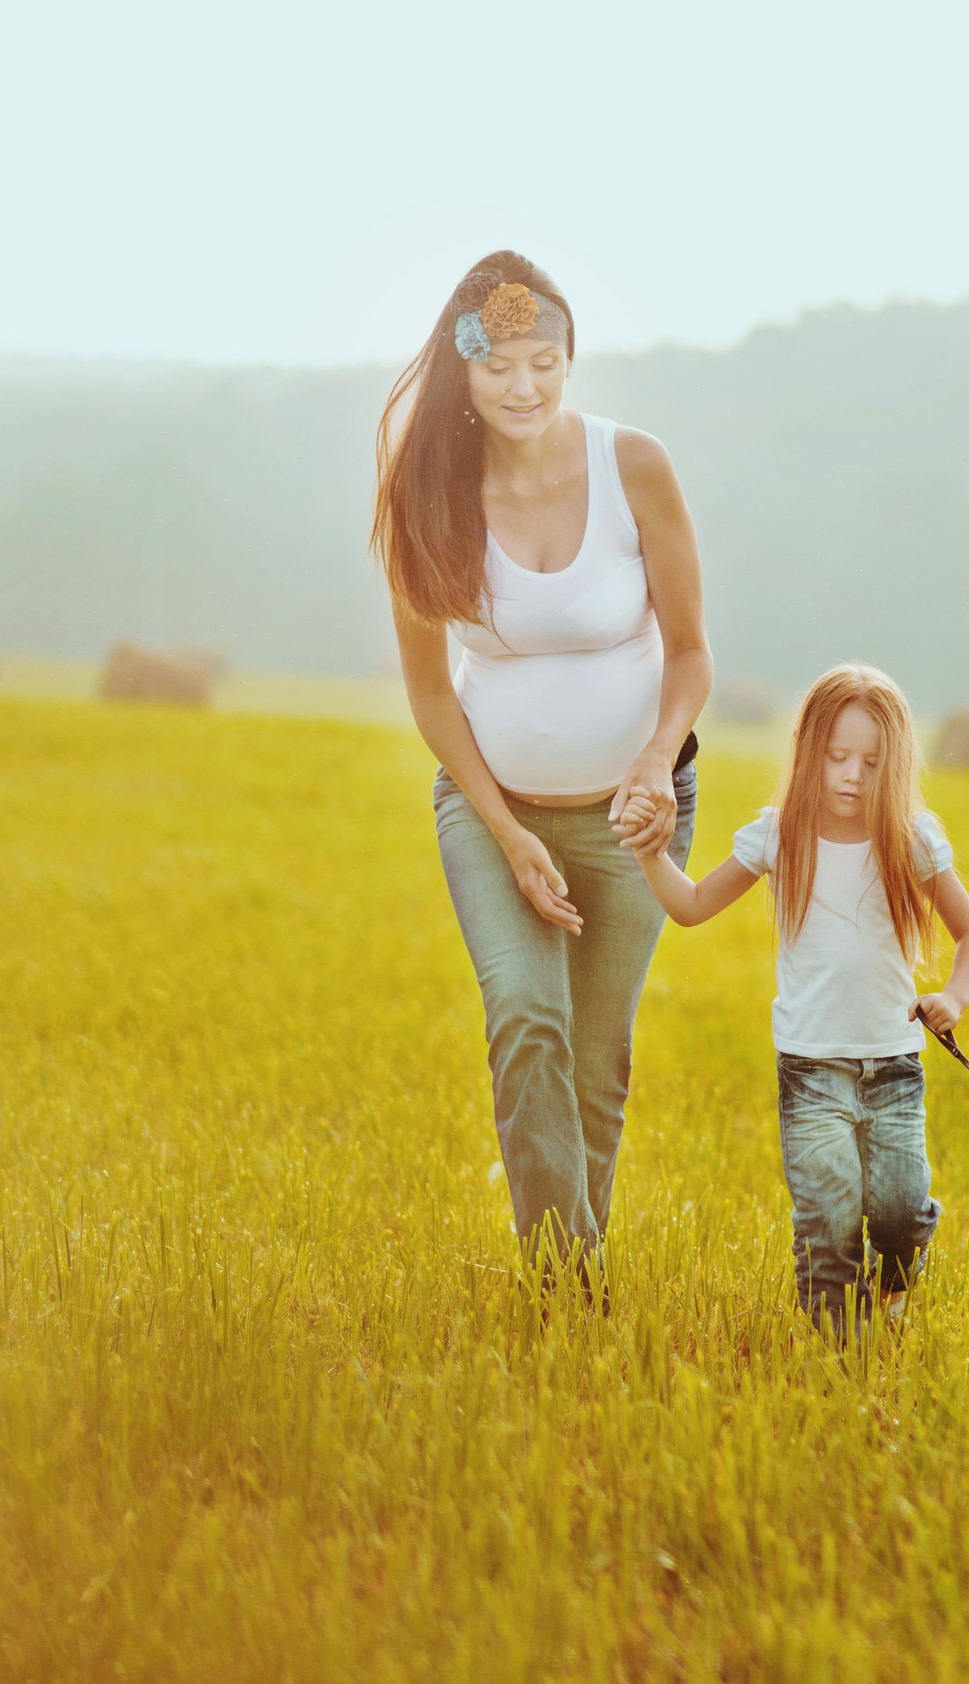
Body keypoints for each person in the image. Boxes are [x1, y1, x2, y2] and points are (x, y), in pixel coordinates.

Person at [371, 252, 713, 1282]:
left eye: (544, 361)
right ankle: (568, 1294)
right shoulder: (427, 494)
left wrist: (655, 763)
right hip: (492, 813)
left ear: (570, 360)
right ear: (460, 375)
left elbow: (691, 653)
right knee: (527, 1019)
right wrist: (509, 832)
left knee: (596, 1065)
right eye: (499, 367)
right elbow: (433, 695)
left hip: (634, 817)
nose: (523, 387)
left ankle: (567, 1277)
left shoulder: (635, 467)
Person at [633, 664, 969, 1335]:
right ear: (811, 754)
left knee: (899, 1210)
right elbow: (690, 905)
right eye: (838, 757)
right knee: (826, 1222)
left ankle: (895, 1281)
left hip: (893, 1067)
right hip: (811, 1070)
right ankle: (837, 1356)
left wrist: (954, 995)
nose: (853, 775)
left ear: (895, 763)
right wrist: (652, 853)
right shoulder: (779, 834)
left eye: (871, 760)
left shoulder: (911, 839)